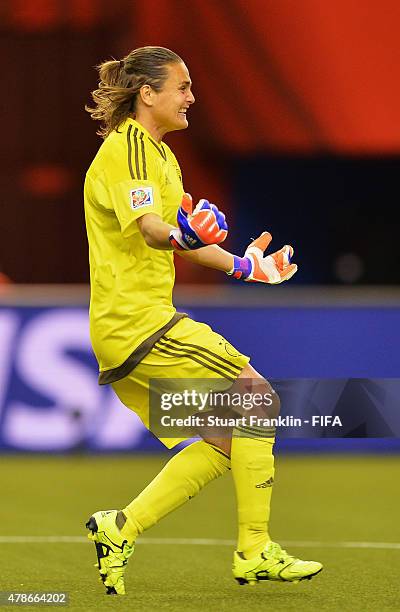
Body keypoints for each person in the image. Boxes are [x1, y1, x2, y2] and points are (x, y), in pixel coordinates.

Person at [84, 46, 322, 595]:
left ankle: (120, 528)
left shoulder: (161, 157)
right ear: (149, 94)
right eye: (182, 86)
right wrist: (183, 233)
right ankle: (255, 550)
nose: (191, 97)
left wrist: (246, 265)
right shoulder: (132, 149)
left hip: (133, 325)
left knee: (224, 437)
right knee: (258, 399)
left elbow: (181, 243)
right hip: (137, 322)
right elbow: (152, 230)